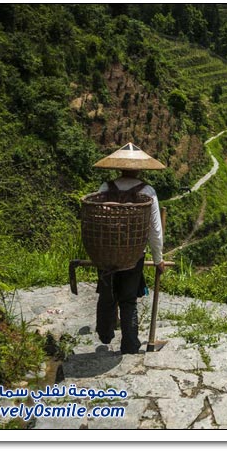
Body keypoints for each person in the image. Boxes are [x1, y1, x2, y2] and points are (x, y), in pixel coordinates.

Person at [92, 142, 167, 354]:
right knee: (128, 300)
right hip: (133, 254)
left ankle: (105, 333)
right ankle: (130, 344)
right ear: (140, 169)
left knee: (107, 293)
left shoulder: (106, 188)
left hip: (106, 252)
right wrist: (158, 258)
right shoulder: (147, 191)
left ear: (119, 167)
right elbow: (154, 229)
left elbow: (96, 217)